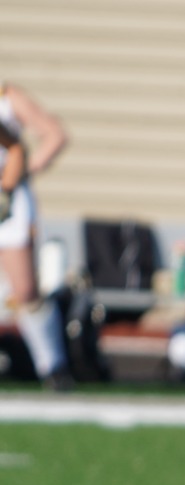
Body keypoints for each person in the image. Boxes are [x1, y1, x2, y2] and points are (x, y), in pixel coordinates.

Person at [0, 78, 71, 388]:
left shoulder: (9, 97)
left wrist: (15, 182)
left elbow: (25, 146)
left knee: (25, 290)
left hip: (9, 199)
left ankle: (52, 367)